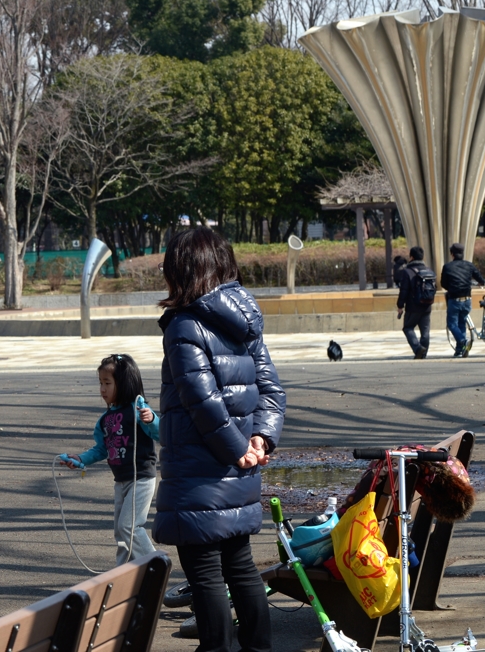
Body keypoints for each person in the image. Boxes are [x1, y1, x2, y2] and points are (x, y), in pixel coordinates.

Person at [154, 228, 285, 652]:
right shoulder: (244, 318)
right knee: (241, 566)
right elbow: (272, 390)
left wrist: (240, 450)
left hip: (201, 471)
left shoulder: (184, 324)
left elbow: (202, 401)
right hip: (238, 468)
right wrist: (260, 439)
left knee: (206, 572)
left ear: (182, 270)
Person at [60, 354, 159, 565]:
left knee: (129, 526)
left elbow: (159, 433)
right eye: (100, 383)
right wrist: (81, 459)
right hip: (121, 481)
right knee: (120, 533)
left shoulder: (138, 409)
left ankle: (155, 563)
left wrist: (151, 420)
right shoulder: (105, 420)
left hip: (140, 478)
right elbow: (101, 449)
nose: (102, 389)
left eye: (108, 383)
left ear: (123, 384)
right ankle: (122, 574)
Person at [440, 242, 485, 358]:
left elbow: (443, 284)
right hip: (467, 300)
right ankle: (460, 350)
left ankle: (462, 341)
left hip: (454, 299)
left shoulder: (447, 267)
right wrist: (479, 283)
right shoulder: (469, 265)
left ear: (452, 254)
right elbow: (481, 279)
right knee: (461, 323)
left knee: (451, 324)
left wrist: (451, 287)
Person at [397, 246, 434, 359]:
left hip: (413, 307)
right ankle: (423, 353)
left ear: (411, 257)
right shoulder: (429, 271)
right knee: (425, 331)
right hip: (427, 306)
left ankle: (418, 348)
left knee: (408, 328)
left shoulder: (407, 272)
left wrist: (400, 305)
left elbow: (404, 290)